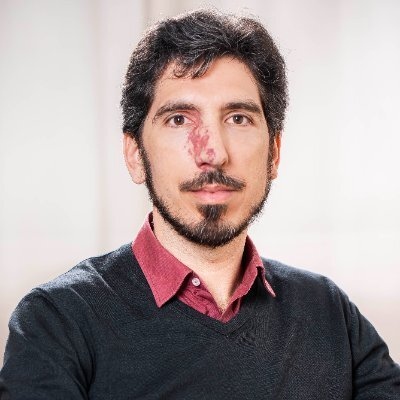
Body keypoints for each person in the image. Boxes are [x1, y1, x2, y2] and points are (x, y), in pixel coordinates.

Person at [1, 9, 399, 400]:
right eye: (179, 119)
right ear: (135, 155)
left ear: (274, 153)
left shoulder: (329, 311)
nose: (213, 153)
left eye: (238, 118)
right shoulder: (58, 322)